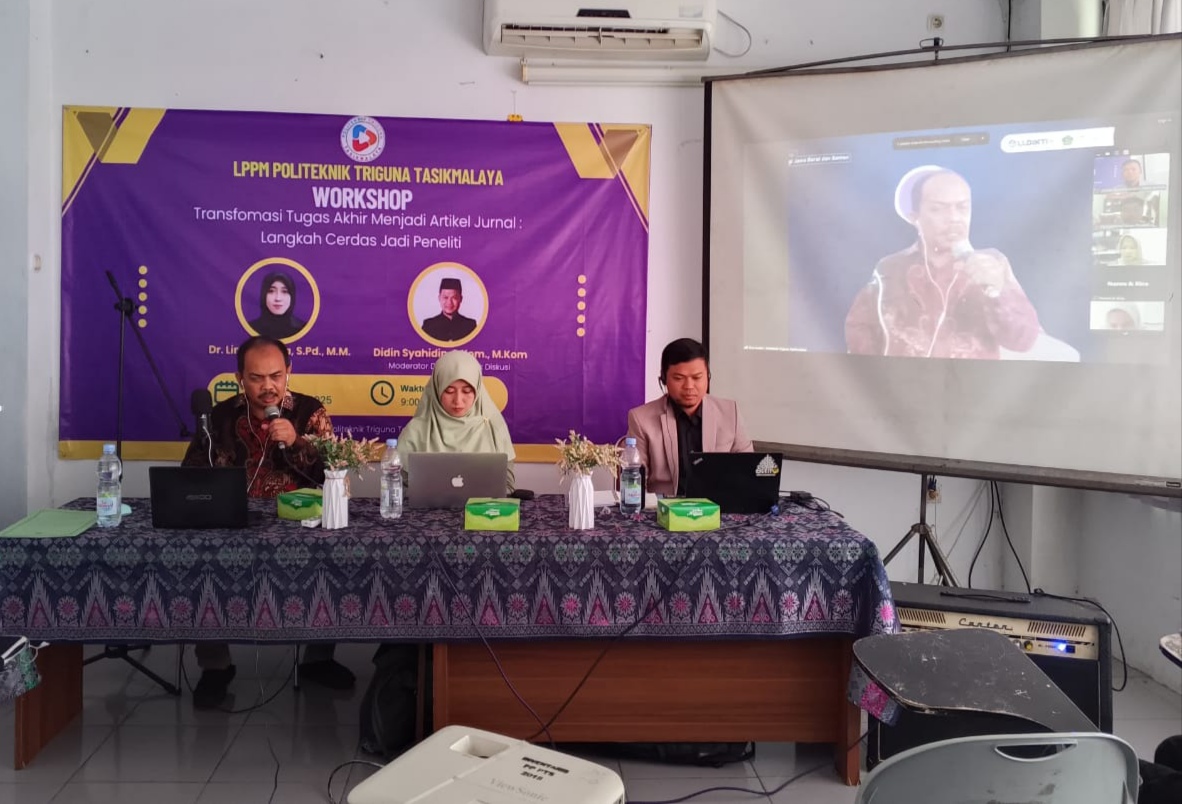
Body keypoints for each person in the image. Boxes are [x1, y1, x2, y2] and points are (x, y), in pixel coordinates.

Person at [181, 336, 354, 708]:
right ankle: (215, 666)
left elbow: (337, 475)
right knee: (201, 559)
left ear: (289, 371)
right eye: (257, 378)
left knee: (333, 556)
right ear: (240, 378)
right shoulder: (219, 417)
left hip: (300, 524)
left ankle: (318, 659)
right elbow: (190, 477)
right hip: (233, 523)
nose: (268, 387)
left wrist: (298, 442)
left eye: (276, 376)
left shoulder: (309, 412)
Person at [845, 166, 1041, 359]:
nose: (954, 218)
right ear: (914, 216)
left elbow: (1023, 341)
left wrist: (997, 292)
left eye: (962, 207)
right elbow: (859, 328)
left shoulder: (992, 264)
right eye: (938, 209)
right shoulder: (890, 268)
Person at [626, 338, 752, 497]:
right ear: (664, 379)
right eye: (679, 378)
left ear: (708, 376)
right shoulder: (641, 419)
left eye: (697, 377)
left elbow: (748, 472)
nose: (689, 386)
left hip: (717, 507)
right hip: (664, 507)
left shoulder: (729, 413)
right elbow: (633, 481)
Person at [397, 350, 515, 490]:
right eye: (449, 391)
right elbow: (399, 487)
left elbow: (508, 485)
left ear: (477, 389)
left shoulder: (493, 427)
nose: (458, 401)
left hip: (484, 505)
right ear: (437, 388)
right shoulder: (415, 432)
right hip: (430, 505)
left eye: (467, 391)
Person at [248, 272, 306, 340]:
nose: (278, 298)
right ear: (263, 295)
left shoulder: (302, 328)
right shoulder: (251, 327)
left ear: (292, 296)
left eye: (284, 291)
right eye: (271, 291)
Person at [421, 278, 477, 342]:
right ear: (439, 298)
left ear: (461, 299)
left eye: (454, 298)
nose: (449, 302)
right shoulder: (428, 325)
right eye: (445, 297)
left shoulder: (470, 325)